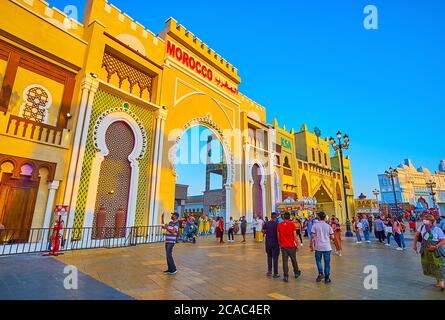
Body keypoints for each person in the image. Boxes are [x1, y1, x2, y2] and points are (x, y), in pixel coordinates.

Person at [413, 214, 445, 291]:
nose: (424, 220)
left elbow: (443, 240)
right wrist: (414, 245)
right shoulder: (421, 227)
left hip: (436, 250)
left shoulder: (437, 229)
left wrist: (436, 246)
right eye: (424, 219)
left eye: (426, 219)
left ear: (431, 221)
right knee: (431, 265)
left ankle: (441, 283)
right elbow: (416, 236)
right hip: (425, 250)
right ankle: (438, 281)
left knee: (439, 265)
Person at [277, 212, 301, 282]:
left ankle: (286, 276)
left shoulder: (279, 225)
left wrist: (280, 243)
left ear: (283, 217)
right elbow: (295, 236)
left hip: (283, 246)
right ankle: (296, 273)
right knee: (294, 260)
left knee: (285, 261)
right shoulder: (292, 224)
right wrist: (297, 244)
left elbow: (278, 236)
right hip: (291, 246)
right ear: (289, 217)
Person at [311, 211, 334, 283]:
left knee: (318, 261)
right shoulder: (328, 226)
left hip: (318, 247)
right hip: (327, 247)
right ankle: (327, 278)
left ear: (318, 217)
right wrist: (328, 238)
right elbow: (332, 237)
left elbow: (312, 237)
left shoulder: (315, 225)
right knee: (327, 262)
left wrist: (311, 246)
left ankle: (320, 274)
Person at [264, 213, 280, 278]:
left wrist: (267, 232)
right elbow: (278, 233)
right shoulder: (277, 224)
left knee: (269, 257)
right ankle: (275, 273)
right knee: (275, 258)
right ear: (276, 217)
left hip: (268, 243)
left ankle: (269, 271)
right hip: (275, 243)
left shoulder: (267, 223)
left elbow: (263, 230)